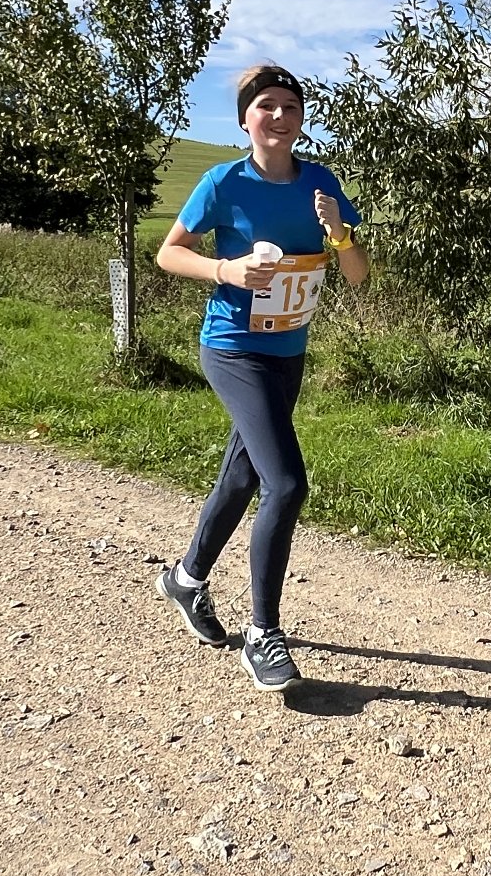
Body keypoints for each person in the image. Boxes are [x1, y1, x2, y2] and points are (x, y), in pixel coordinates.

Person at [153, 64, 369, 690]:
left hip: (288, 349)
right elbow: (168, 253)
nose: (279, 116)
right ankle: (263, 634)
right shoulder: (224, 182)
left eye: (290, 107)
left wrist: (338, 233)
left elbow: (358, 274)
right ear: (246, 118)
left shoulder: (321, 183)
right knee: (287, 483)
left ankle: (186, 579)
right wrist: (227, 270)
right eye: (266, 105)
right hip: (232, 347)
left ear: (301, 120)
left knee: (245, 473)